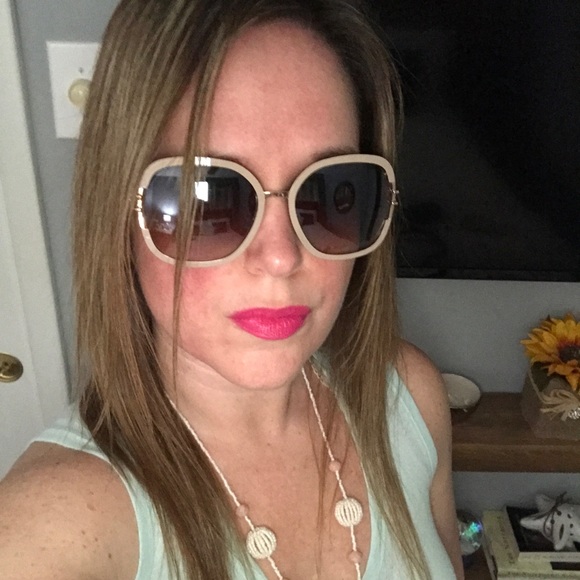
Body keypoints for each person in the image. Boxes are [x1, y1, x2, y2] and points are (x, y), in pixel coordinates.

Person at [0, 0, 463, 578]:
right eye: (208, 199)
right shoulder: (54, 525)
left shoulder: (409, 396)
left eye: (330, 193)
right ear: (119, 213)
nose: (281, 257)